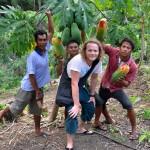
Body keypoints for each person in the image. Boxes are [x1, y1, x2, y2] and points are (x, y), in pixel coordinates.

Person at [0, 10, 54, 136]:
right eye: (40, 40)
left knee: (37, 110)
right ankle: (2, 113)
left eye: (45, 39)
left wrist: (49, 16)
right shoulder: (32, 56)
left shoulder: (45, 49)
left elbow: (51, 31)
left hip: (38, 87)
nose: (43, 42)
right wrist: (36, 90)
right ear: (36, 41)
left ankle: (37, 130)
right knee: (15, 111)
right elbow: (31, 75)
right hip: (28, 87)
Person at [56, 39, 103, 150]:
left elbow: (94, 78)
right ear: (84, 51)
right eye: (90, 50)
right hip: (68, 87)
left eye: (95, 51)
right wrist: (76, 105)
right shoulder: (78, 61)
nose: (93, 53)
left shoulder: (97, 61)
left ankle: (80, 127)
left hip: (79, 86)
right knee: (72, 112)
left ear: (99, 52)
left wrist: (91, 95)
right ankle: (69, 142)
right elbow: (73, 83)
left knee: (90, 107)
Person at [94, 38, 138, 140]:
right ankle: (98, 121)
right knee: (101, 103)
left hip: (117, 88)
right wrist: (102, 38)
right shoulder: (113, 52)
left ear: (131, 50)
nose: (125, 49)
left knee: (128, 105)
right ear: (120, 47)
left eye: (128, 48)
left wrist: (121, 79)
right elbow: (100, 45)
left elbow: (127, 84)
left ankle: (134, 130)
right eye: (124, 46)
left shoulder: (132, 66)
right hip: (105, 85)